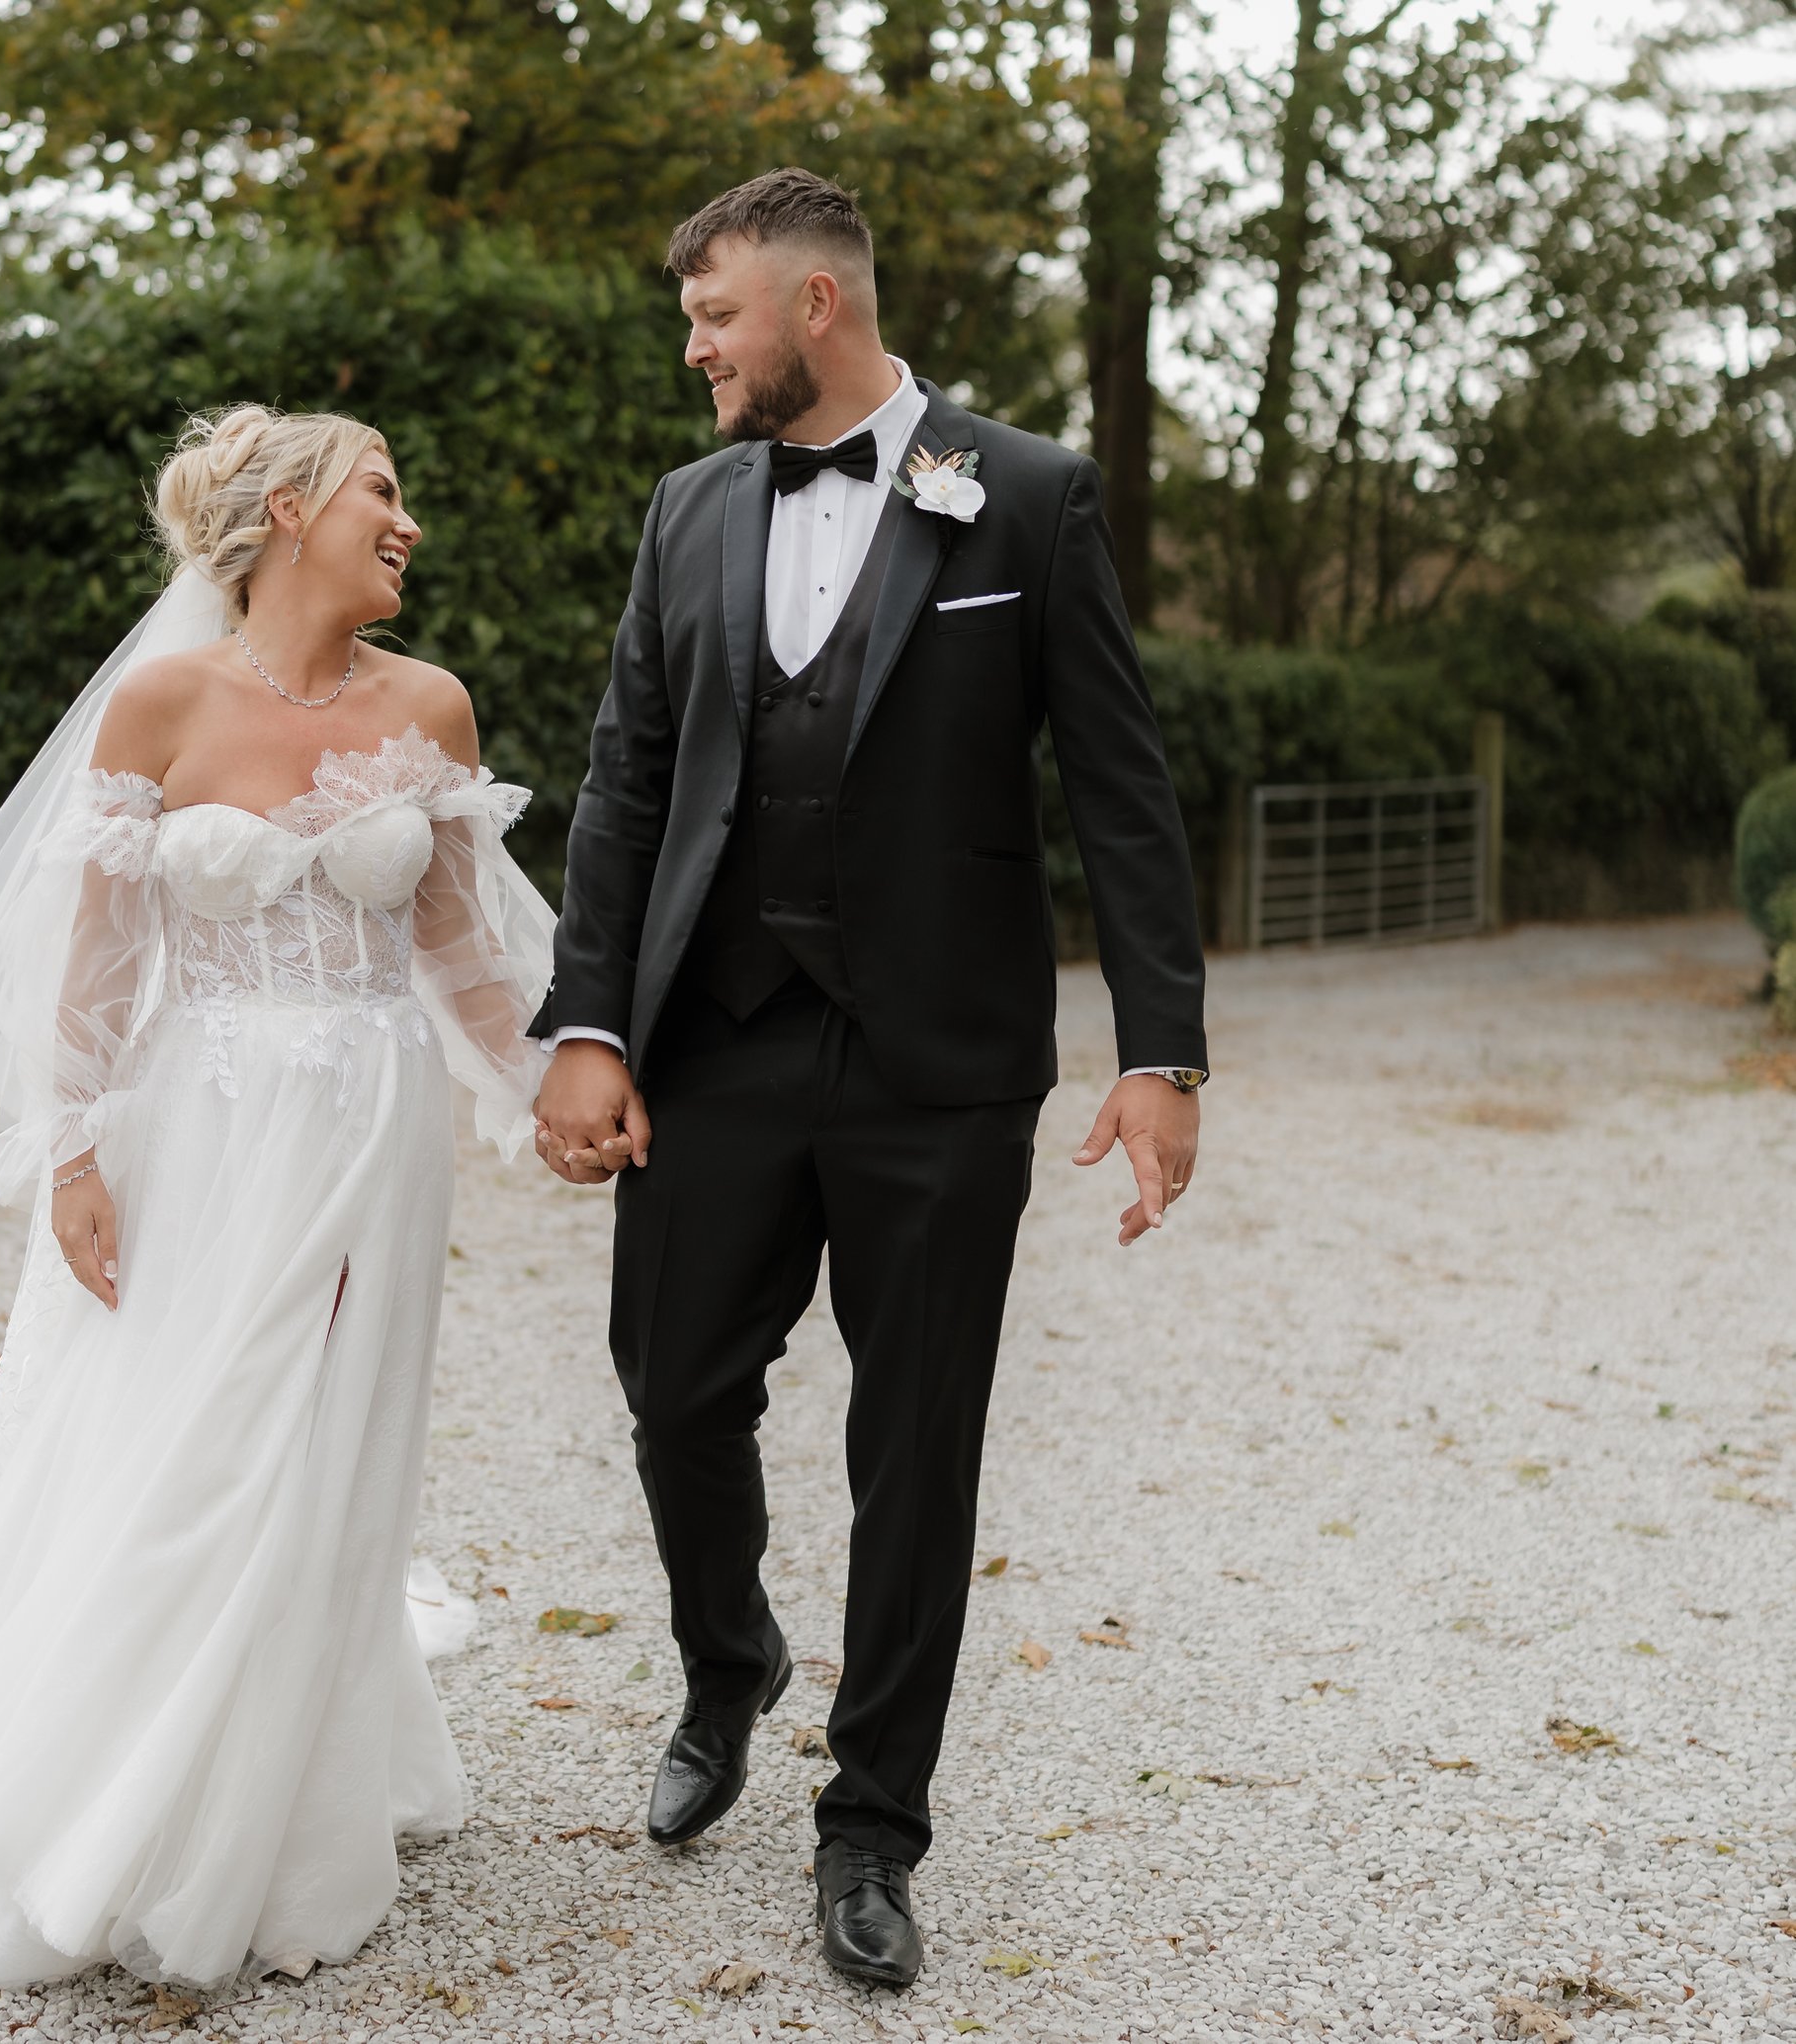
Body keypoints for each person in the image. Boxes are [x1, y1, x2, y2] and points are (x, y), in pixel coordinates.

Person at [530, 168, 1210, 1990]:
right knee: (674, 1388)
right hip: (722, 1038)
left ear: (817, 306)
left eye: (715, 315)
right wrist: (589, 1022)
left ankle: (872, 1828)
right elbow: (620, 785)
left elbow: (1124, 799)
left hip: (941, 1067)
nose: (696, 347)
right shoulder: (685, 514)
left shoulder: (1033, 497)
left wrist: (1163, 1055)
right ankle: (726, 1660)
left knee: (920, 1449)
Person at [0, 405, 556, 1990]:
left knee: (330, 1443)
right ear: (288, 511)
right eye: (383, 489)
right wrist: (71, 1155)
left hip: (372, 1127)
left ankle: (281, 1794)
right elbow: (95, 959)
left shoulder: (432, 708)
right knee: (195, 1443)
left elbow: (456, 947)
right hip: (201, 1131)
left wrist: (551, 1088)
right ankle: (109, 1808)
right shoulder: (158, 702)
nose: (406, 520)